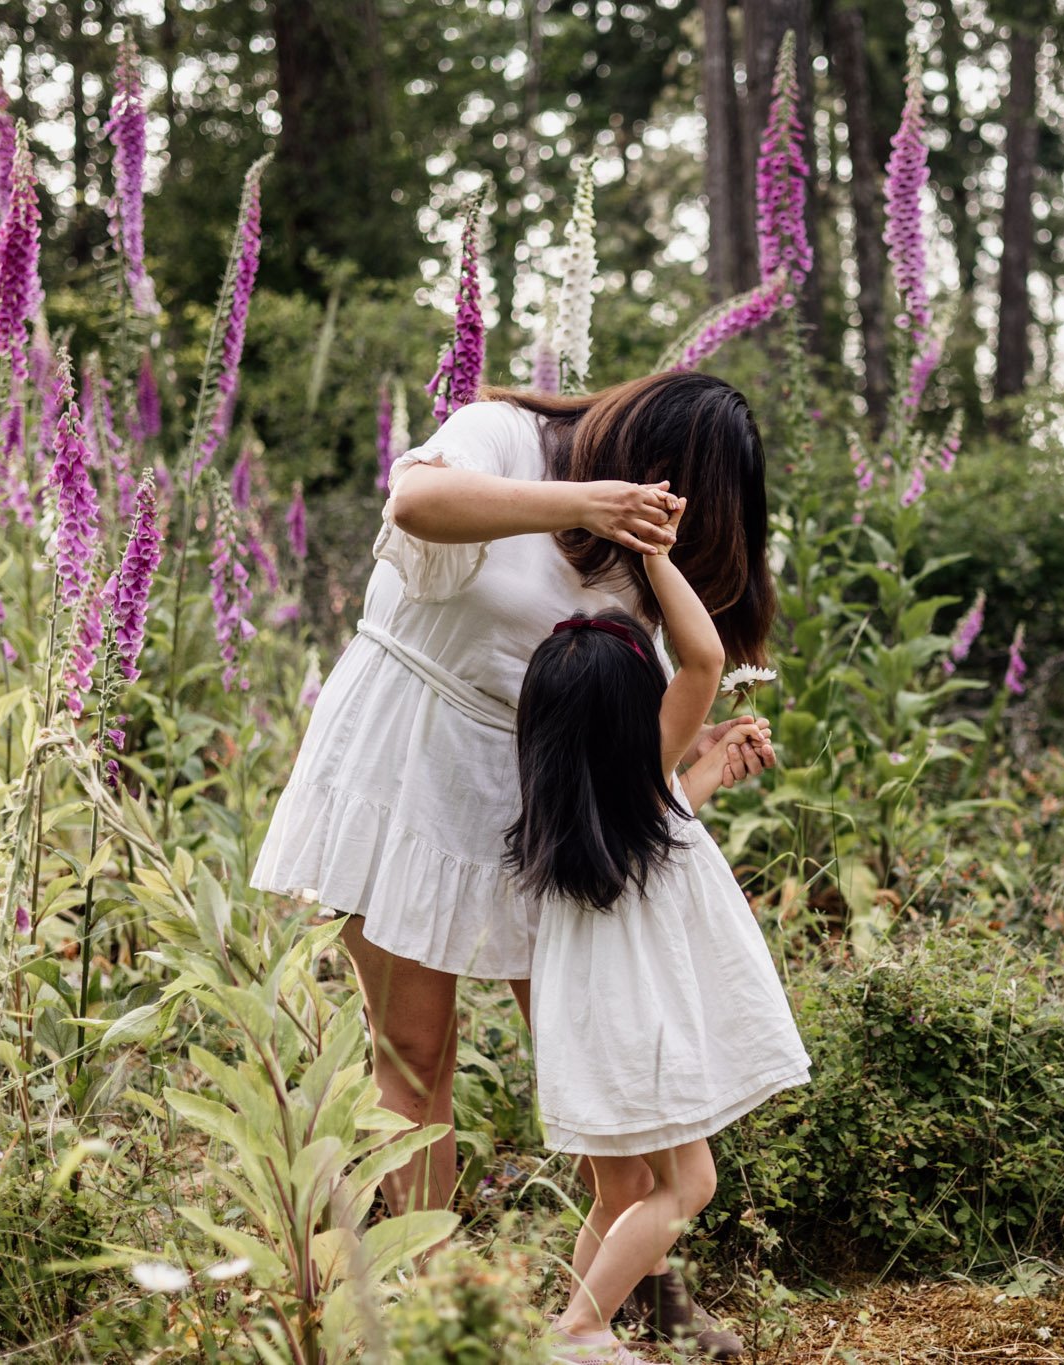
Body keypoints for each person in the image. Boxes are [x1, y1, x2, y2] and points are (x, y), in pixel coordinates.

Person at [250, 373, 777, 1357]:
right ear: (642, 456)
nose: (671, 519)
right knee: (414, 1056)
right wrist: (586, 502)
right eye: (672, 492)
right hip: (405, 766)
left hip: (541, 803)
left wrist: (693, 766)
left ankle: (628, 1296)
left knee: (608, 1068)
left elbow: (650, 722)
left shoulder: (636, 566)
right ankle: (424, 1312)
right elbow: (414, 502)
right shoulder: (505, 438)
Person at [506, 502, 809, 1365]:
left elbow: (665, 825)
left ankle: (576, 1325)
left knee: (624, 1194)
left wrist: (707, 768)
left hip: (592, 1022)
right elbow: (707, 657)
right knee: (689, 1182)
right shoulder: (644, 776)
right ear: (638, 714)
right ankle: (579, 1331)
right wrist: (655, 555)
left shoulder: (566, 806)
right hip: (645, 1021)